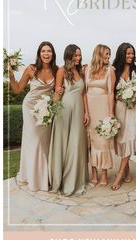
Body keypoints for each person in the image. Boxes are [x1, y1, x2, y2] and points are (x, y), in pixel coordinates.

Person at [9, 41, 58, 191]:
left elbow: (58, 90)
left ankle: (45, 176)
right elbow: (17, 89)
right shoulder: (31, 69)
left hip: (46, 110)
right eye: (43, 51)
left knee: (44, 142)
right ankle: (36, 178)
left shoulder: (57, 70)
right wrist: (11, 76)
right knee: (34, 141)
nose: (46, 54)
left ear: (52, 54)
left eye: (49, 51)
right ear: (39, 53)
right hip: (30, 108)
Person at [48, 44, 89, 196]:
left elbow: (84, 94)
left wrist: (87, 112)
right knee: (63, 143)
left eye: (79, 55)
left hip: (79, 111)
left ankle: (75, 179)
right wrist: (53, 110)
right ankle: (61, 181)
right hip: (64, 111)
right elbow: (57, 93)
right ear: (69, 56)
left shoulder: (81, 71)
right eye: (75, 55)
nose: (78, 58)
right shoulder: (61, 70)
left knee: (76, 144)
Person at [112, 42, 136, 190]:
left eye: (132, 53)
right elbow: (110, 92)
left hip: (134, 110)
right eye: (128, 53)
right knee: (121, 140)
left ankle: (120, 174)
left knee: (129, 138)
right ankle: (126, 170)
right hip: (120, 110)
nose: (131, 56)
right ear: (121, 54)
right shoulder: (113, 70)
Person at [85, 44, 116, 187]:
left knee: (103, 141)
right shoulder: (87, 70)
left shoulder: (110, 70)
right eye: (106, 54)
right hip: (89, 109)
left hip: (103, 108)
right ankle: (94, 174)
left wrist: (110, 114)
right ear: (99, 54)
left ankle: (104, 174)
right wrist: (85, 111)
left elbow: (111, 92)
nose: (108, 57)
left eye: (110, 54)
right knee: (91, 141)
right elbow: (84, 92)